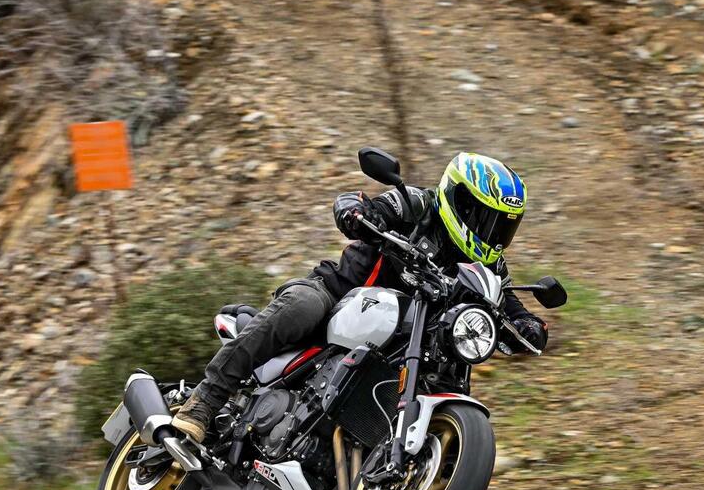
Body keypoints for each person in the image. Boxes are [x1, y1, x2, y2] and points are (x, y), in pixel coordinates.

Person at [171, 152, 549, 442]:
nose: (493, 232)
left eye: (503, 225)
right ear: (459, 199)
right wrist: (357, 212)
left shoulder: (489, 266)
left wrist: (529, 326)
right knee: (304, 305)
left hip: (405, 339)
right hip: (338, 295)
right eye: (485, 218)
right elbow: (367, 204)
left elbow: (508, 302)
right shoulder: (418, 206)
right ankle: (205, 400)